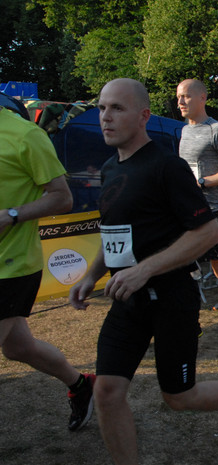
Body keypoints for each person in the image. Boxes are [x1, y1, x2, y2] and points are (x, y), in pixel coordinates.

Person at [68, 79, 218, 464]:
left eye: (117, 108)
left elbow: (208, 232)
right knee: (107, 392)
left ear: (143, 115)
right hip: (127, 300)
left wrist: (144, 270)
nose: (105, 117)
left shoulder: (167, 166)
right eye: (102, 108)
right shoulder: (111, 168)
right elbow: (115, 234)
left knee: (178, 397)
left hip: (171, 299)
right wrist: (91, 275)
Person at [0, 104, 95, 433]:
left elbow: (61, 198)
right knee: (18, 348)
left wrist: (12, 215)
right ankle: (82, 385)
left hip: (10, 267)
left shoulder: (25, 135)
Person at [175, 79, 218, 342]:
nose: (180, 102)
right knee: (182, 268)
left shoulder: (217, 130)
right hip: (187, 211)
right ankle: (192, 321)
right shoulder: (184, 131)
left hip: (214, 211)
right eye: (179, 97)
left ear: (202, 98)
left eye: (186, 97)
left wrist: (203, 182)